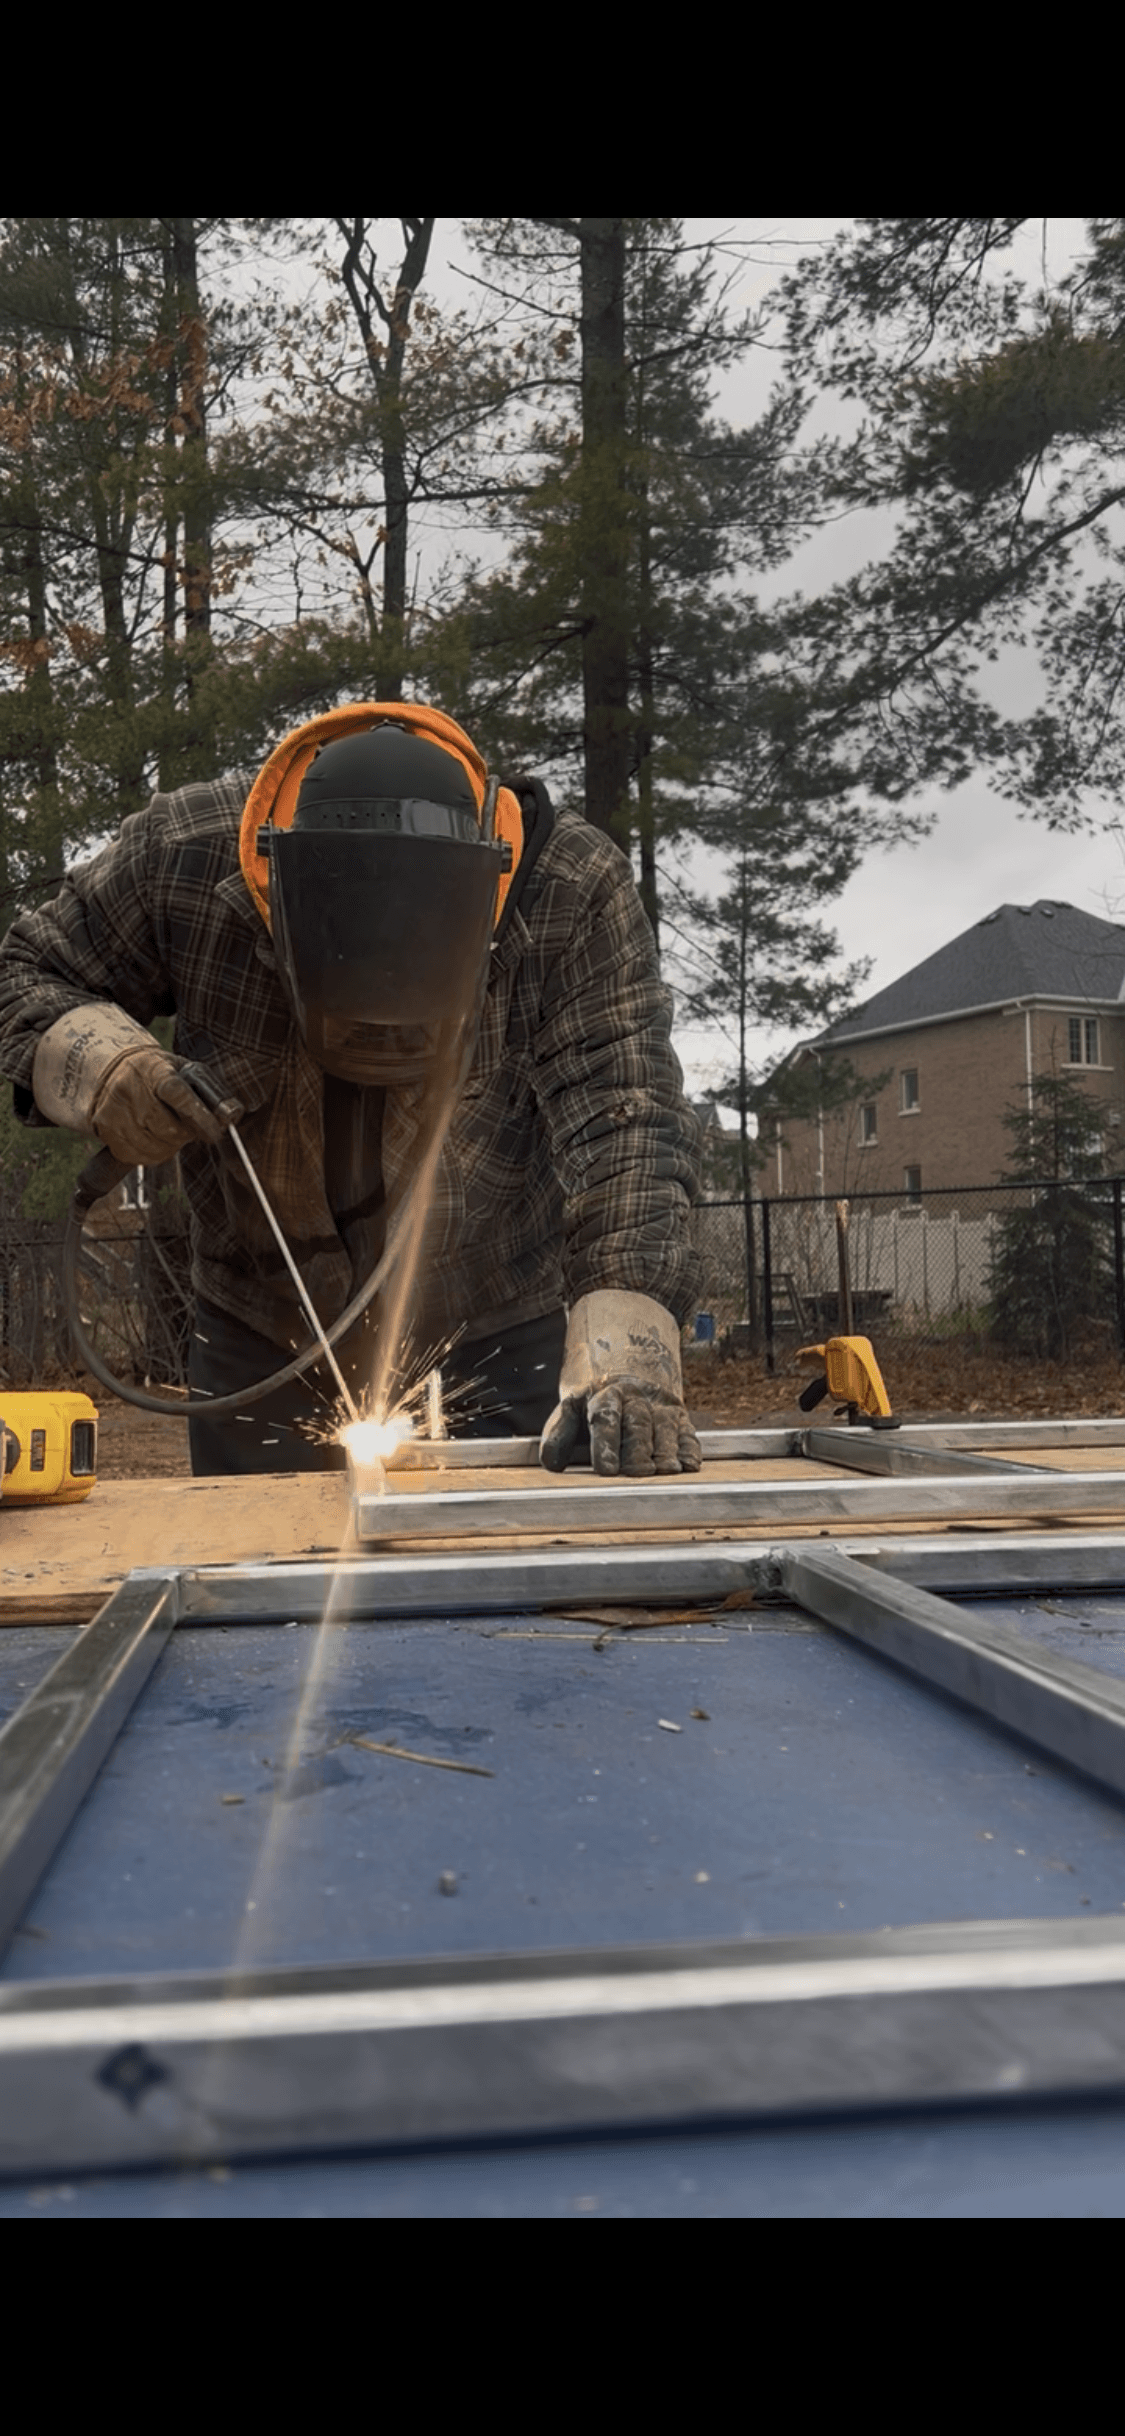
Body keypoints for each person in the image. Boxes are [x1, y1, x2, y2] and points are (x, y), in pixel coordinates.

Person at [0, 702, 703, 1477]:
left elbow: (626, 1119)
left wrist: (626, 1338)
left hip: (492, 1314)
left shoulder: (568, 890)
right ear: (275, 894)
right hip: (260, 1320)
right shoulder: (187, 857)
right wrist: (95, 1061)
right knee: (256, 1579)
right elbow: (24, 971)